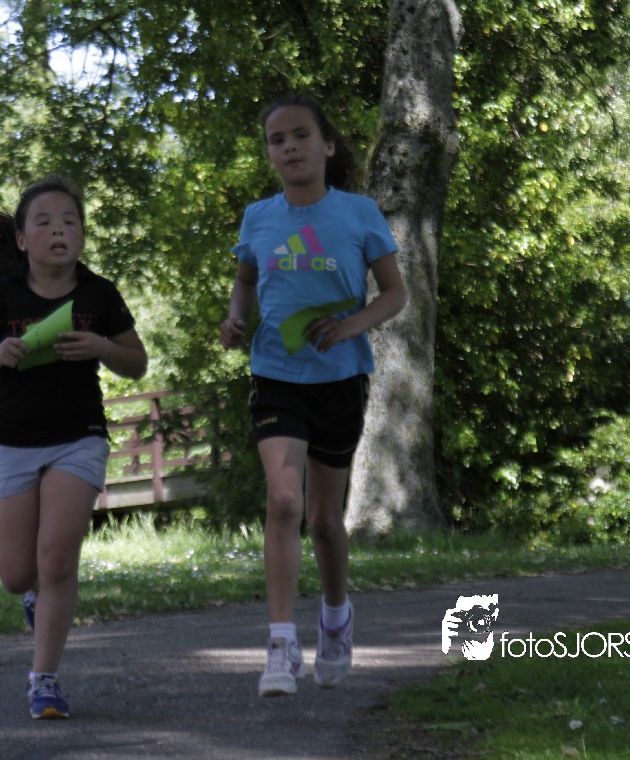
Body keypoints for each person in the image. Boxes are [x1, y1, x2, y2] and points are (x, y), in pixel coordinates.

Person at [219, 94, 406, 697]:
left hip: (340, 380)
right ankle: (280, 647)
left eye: (300, 135)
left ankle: (335, 618)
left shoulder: (358, 213)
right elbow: (245, 279)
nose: (289, 147)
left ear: (327, 146)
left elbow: (395, 294)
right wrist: (235, 319)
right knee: (282, 501)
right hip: (276, 375)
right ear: (270, 155)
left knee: (325, 521)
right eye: (277, 140)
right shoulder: (259, 218)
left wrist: (350, 327)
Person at [0, 175, 148, 719]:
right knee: (17, 574)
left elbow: (136, 362)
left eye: (69, 221)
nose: (59, 230)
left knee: (56, 559)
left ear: (81, 235)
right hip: (13, 440)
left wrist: (100, 345)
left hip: (79, 438)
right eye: (45, 222)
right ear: (22, 239)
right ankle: (35, 598)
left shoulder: (100, 295)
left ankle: (44, 680)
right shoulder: (2, 294)